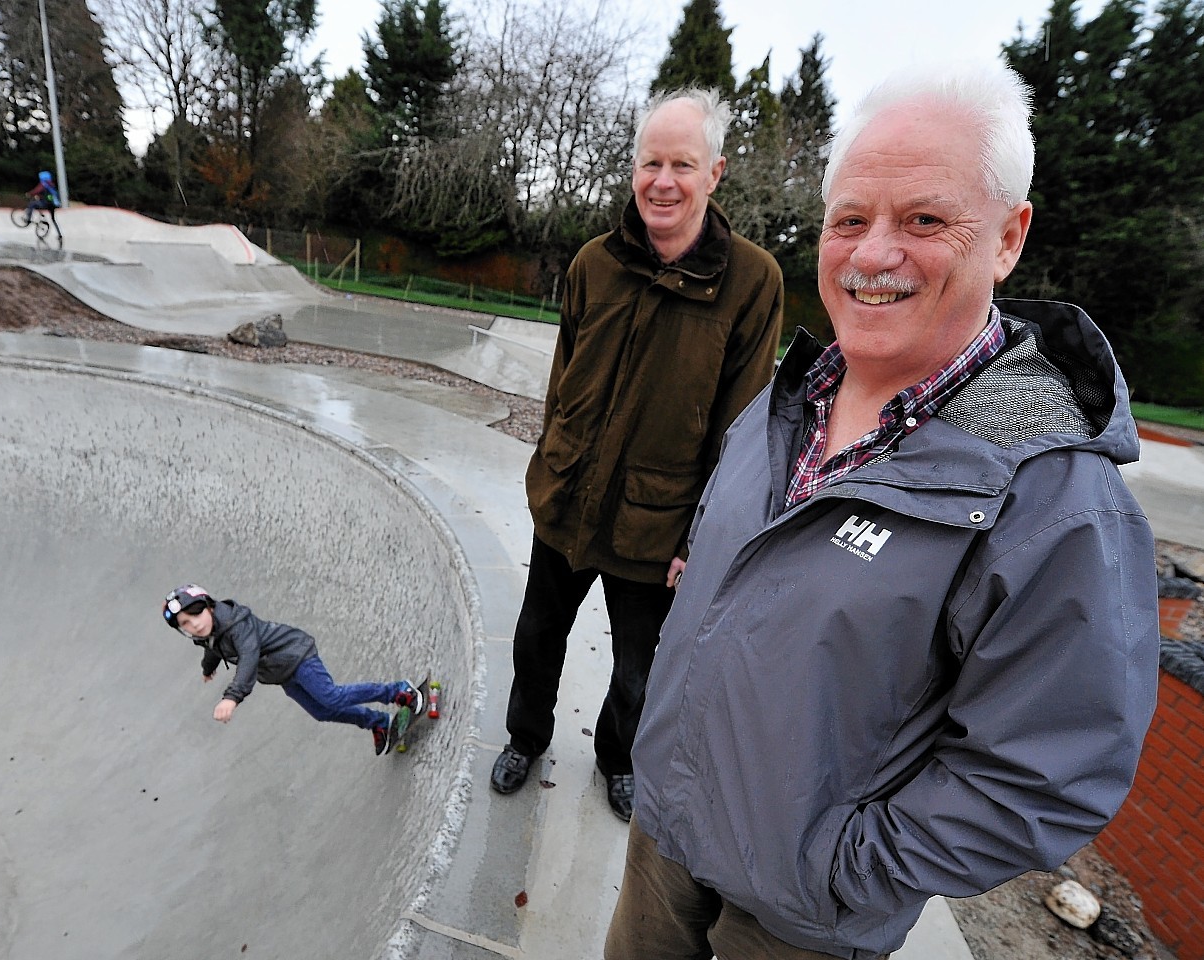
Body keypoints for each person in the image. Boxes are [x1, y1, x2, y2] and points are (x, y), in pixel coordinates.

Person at [606, 60, 1160, 959]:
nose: (871, 255)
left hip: (797, 917)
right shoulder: (787, 401)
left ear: (1010, 237)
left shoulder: (1058, 502)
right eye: (850, 220)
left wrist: (835, 869)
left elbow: (1043, 775)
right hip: (665, 830)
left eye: (925, 220)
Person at [489, 88, 784, 821]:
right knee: (536, 640)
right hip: (566, 500)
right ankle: (526, 738)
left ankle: (617, 758)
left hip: (658, 528)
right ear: (633, 170)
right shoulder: (594, 263)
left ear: (714, 173)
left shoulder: (752, 283)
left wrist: (698, 538)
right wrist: (549, 469)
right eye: (651, 161)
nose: (663, 180)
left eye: (681, 163)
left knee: (638, 672)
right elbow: (562, 381)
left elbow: (742, 426)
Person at [161, 584, 423, 756]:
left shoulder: (235, 624)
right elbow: (212, 648)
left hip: (297, 654)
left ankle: (398, 691)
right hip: (282, 672)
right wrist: (208, 668)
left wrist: (232, 697)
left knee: (331, 697)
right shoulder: (208, 634)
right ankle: (378, 723)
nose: (194, 625)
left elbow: (249, 656)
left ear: (209, 607)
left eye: (195, 616)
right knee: (321, 711)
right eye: (185, 624)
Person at [24, 170, 62, 241]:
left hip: (45, 204)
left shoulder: (43, 184)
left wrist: (29, 194)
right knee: (53, 219)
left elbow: (37, 191)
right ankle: (59, 234)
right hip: (52, 205)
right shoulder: (52, 185)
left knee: (32, 204)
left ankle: (28, 220)